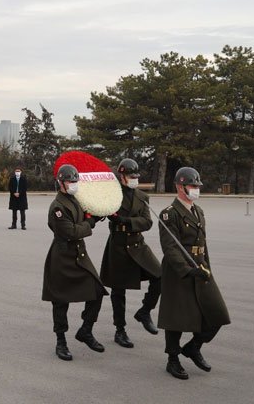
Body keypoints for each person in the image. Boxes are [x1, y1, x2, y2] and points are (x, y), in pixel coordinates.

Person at [158, 167, 230, 380]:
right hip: (179, 271)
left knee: (217, 313)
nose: (196, 189)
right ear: (180, 187)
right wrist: (188, 271)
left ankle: (193, 347)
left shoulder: (198, 211)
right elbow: (170, 248)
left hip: (200, 267)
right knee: (176, 318)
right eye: (192, 186)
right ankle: (172, 359)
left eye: (197, 186)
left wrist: (206, 267)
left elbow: (203, 243)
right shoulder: (169, 214)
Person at [42, 164, 108, 361]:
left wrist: (97, 213)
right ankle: (60, 341)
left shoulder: (76, 200)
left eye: (75, 181)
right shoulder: (57, 207)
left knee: (97, 291)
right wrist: (90, 223)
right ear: (61, 183)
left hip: (79, 255)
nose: (74, 184)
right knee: (61, 302)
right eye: (70, 181)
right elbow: (70, 232)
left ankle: (85, 330)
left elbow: (86, 216)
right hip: (62, 257)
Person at [100, 159, 162, 348]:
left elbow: (147, 222)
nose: (134, 179)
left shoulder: (142, 196)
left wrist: (125, 221)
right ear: (121, 176)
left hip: (137, 244)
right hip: (118, 245)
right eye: (130, 176)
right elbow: (103, 213)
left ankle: (144, 311)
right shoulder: (112, 195)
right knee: (118, 291)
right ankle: (120, 330)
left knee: (160, 276)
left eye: (136, 176)